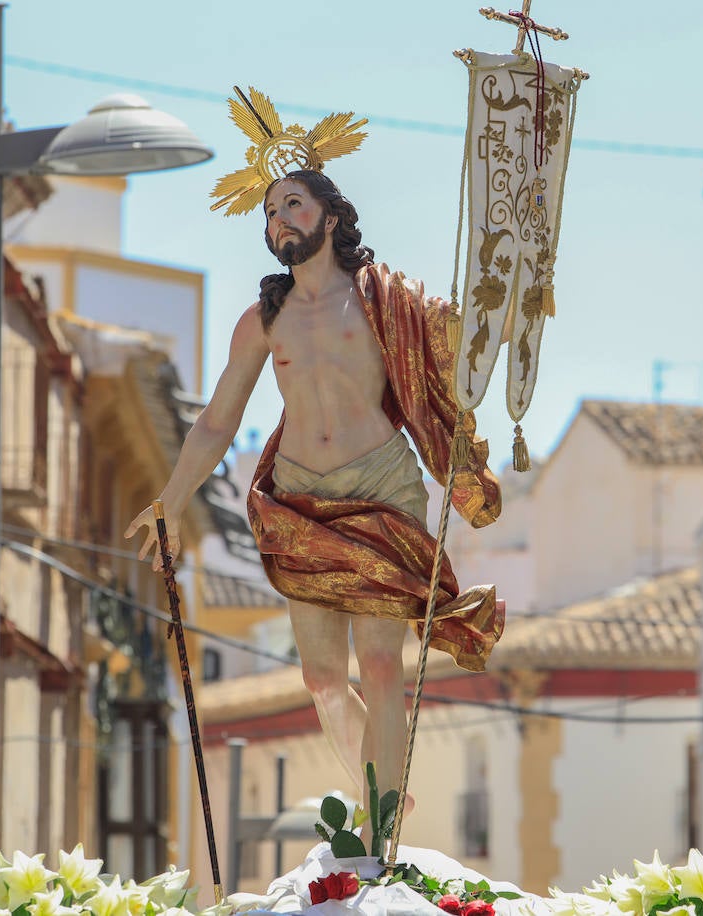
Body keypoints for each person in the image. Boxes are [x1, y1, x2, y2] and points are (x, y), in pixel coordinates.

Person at [125, 168, 503, 806]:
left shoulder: (386, 299)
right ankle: (383, 795)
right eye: (270, 212)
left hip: (382, 489)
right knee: (322, 678)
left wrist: (506, 293)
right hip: (299, 503)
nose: (278, 219)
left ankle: (380, 829)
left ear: (331, 218)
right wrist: (172, 501)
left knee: (381, 666)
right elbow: (219, 420)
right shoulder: (264, 321)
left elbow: (461, 341)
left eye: (292, 204)